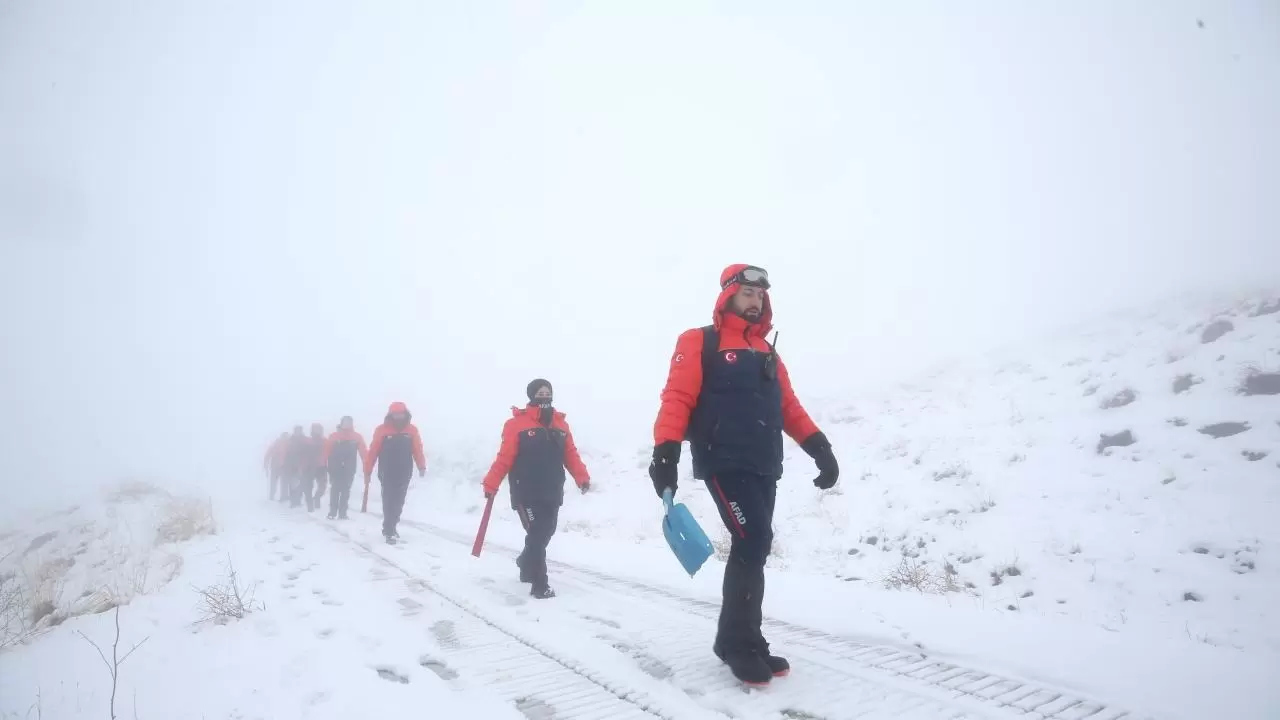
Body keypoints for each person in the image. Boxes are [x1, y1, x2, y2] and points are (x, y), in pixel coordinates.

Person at [649, 264, 839, 686]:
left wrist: (819, 447)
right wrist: (666, 451)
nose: (755, 300)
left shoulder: (768, 351)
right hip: (724, 460)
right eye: (747, 292)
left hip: (764, 462)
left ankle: (742, 638)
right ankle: (738, 642)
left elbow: (789, 406)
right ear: (728, 296)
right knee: (753, 540)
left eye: (760, 294)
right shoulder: (701, 340)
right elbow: (678, 396)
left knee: (753, 547)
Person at [482, 379, 590, 600]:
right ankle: (540, 584)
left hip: (552, 489)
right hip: (526, 492)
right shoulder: (516, 425)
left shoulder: (561, 425)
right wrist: (491, 483)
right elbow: (505, 457)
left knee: (545, 532)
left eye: (547, 392)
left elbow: (570, 454)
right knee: (538, 533)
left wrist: (582, 478)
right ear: (531, 395)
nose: (544, 395)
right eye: (539, 392)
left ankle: (525, 561)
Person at [364, 402, 426, 543]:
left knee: (399, 501)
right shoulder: (382, 430)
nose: (398, 416)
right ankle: (389, 529)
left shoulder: (412, 430)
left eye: (401, 413)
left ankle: (392, 525)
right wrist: (368, 468)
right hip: (387, 471)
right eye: (395, 414)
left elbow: (417, 449)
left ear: (405, 413)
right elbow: (373, 450)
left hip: (404, 470)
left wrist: (421, 466)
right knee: (388, 500)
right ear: (391, 415)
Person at [322, 416, 368, 520]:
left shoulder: (357, 437)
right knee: (335, 489)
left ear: (352, 424)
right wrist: (324, 464)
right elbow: (326, 451)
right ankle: (332, 512)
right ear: (341, 423)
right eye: (345, 422)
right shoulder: (334, 436)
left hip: (349, 468)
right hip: (334, 467)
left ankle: (343, 513)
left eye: (349, 422)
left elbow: (363, 452)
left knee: (346, 490)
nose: (347, 424)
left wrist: (367, 463)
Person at [291, 423, 326, 511]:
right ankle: (310, 507)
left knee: (322, 487)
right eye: (315, 429)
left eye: (319, 429)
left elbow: (330, 452)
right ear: (312, 430)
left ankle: (317, 498)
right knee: (308, 488)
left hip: (321, 467)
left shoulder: (325, 441)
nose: (317, 431)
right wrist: (300, 466)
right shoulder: (307, 441)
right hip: (308, 467)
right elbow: (300, 454)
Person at [280, 425, 308, 506]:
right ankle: (293, 502)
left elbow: (307, 452)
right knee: (292, 484)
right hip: (291, 465)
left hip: (302, 465)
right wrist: (284, 464)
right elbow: (286, 453)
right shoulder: (290, 440)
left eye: (299, 430)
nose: (298, 432)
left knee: (301, 483)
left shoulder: (305, 440)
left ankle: (298, 500)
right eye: (296, 430)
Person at [264, 431, 289, 500]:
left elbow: (268, 454)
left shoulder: (287, 444)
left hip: (282, 467)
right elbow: (268, 454)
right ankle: (273, 496)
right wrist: (266, 464)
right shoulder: (277, 443)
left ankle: (281, 497)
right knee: (277, 483)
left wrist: (266, 464)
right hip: (277, 466)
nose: (285, 438)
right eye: (285, 436)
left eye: (286, 436)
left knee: (282, 483)